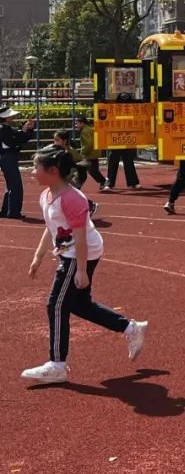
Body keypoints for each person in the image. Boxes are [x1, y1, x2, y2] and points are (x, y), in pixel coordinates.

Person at [20, 146, 148, 384]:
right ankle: (131, 329)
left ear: (53, 170)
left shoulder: (72, 198)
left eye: (37, 167)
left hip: (80, 252)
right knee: (79, 304)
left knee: (56, 306)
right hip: (71, 251)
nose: (33, 172)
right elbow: (51, 227)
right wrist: (38, 256)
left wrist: (80, 269)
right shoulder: (47, 195)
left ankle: (57, 365)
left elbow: (79, 236)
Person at [0, 105, 35, 218]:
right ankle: (13, 212)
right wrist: (24, 131)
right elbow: (15, 141)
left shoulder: (5, 129)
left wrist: (27, 130)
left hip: (7, 157)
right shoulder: (3, 129)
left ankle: (7, 211)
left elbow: (19, 138)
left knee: (11, 185)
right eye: (10, 116)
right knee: (15, 186)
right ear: (5, 118)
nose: (13, 117)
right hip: (7, 157)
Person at [74, 114, 107, 190]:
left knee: (83, 170)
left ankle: (77, 186)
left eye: (77, 123)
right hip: (94, 153)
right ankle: (103, 182)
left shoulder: (84, 131)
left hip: (90, 154)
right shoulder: (89, 129)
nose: (76, 125)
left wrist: (83, 153)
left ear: (82, 123)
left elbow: (88, 143)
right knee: (93, 171)